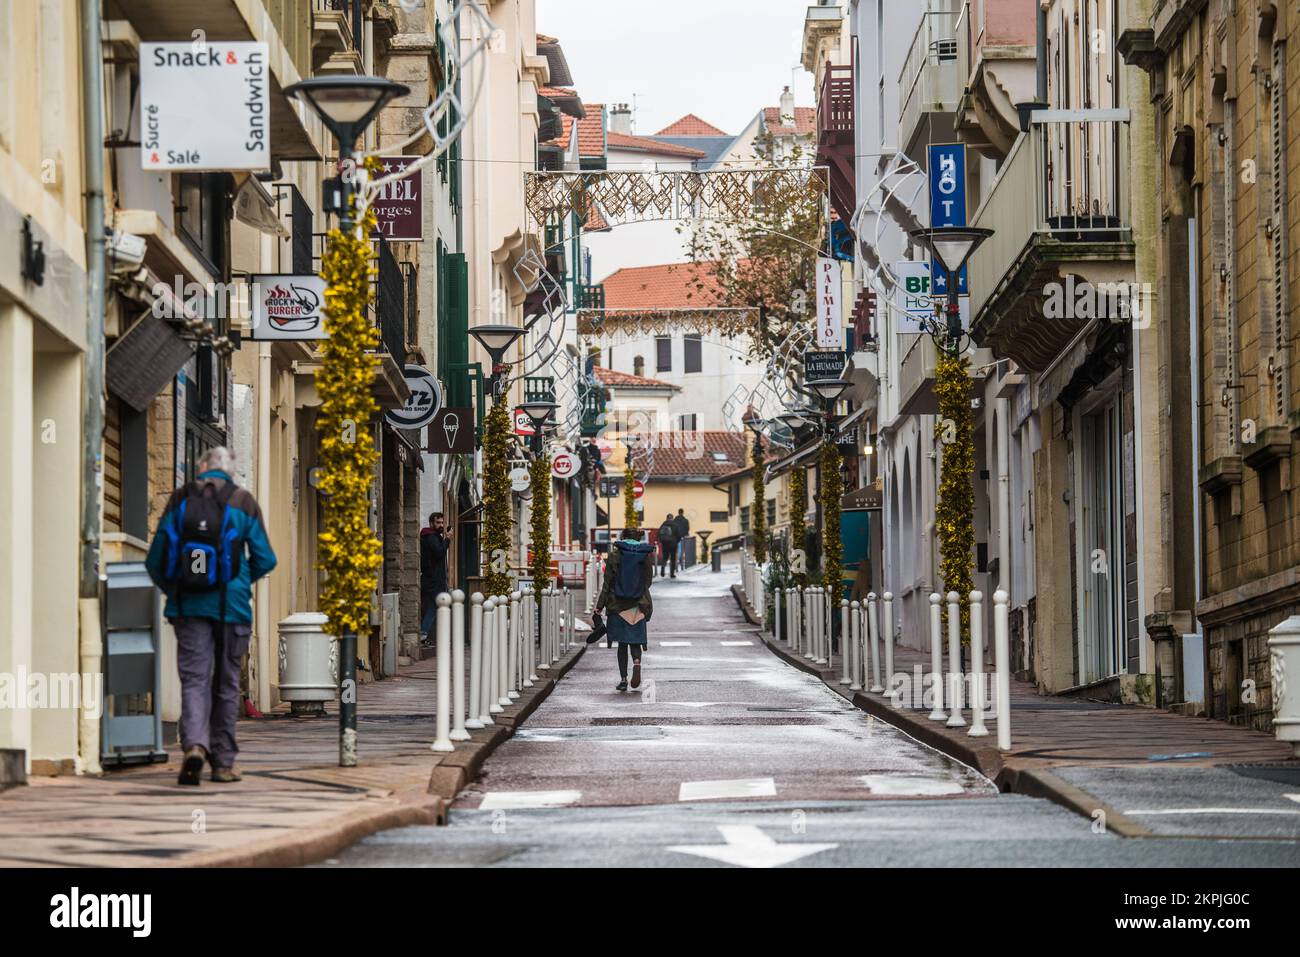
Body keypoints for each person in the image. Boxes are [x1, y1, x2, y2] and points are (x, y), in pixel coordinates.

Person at [145, 446, 277, 786]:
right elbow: (265, 558)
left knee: (195, 678)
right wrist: (239, 579)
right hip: (231, 607)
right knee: (227, 683)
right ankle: (223, 763)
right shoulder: (242, 501)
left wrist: (176, 590)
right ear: (229, 472)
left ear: (202, 467)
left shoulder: (180, 500)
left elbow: (155, 560)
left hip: (189, 606)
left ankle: (194, 747)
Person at [594, 528, 655, 691]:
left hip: (618, 605)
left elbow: (607, 584)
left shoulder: (615, 555)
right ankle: (637, 662)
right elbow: (648, 580)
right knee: (635, 640)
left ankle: (623, 679)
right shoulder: (644, 555)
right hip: (638, 605)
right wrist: (637, 591)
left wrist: (599, 607)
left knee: (622, 643)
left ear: (623, 537)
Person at [420, 512, 452, 644]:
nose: (441, 525)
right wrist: (448, 539)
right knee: (435, 605)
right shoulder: (431, 537)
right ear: (431, 523)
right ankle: (423, 634)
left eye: (442, 523)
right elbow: (439, 552)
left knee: (431, 606)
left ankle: (425, 634)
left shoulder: (432, 536)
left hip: (432, 578)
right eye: (438, 523)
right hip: (433, 580)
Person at [656, 513, 678, 578]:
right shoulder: (675, 525)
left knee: (665, 557)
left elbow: (658, 534)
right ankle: (672, 574)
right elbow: (678, 534)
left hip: (665, 544)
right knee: (673, 559)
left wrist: (661, 541)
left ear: (666, 518)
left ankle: (662, 570)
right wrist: (676, 541)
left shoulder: (663, 524)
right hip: (673, 544)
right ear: (672, 518)